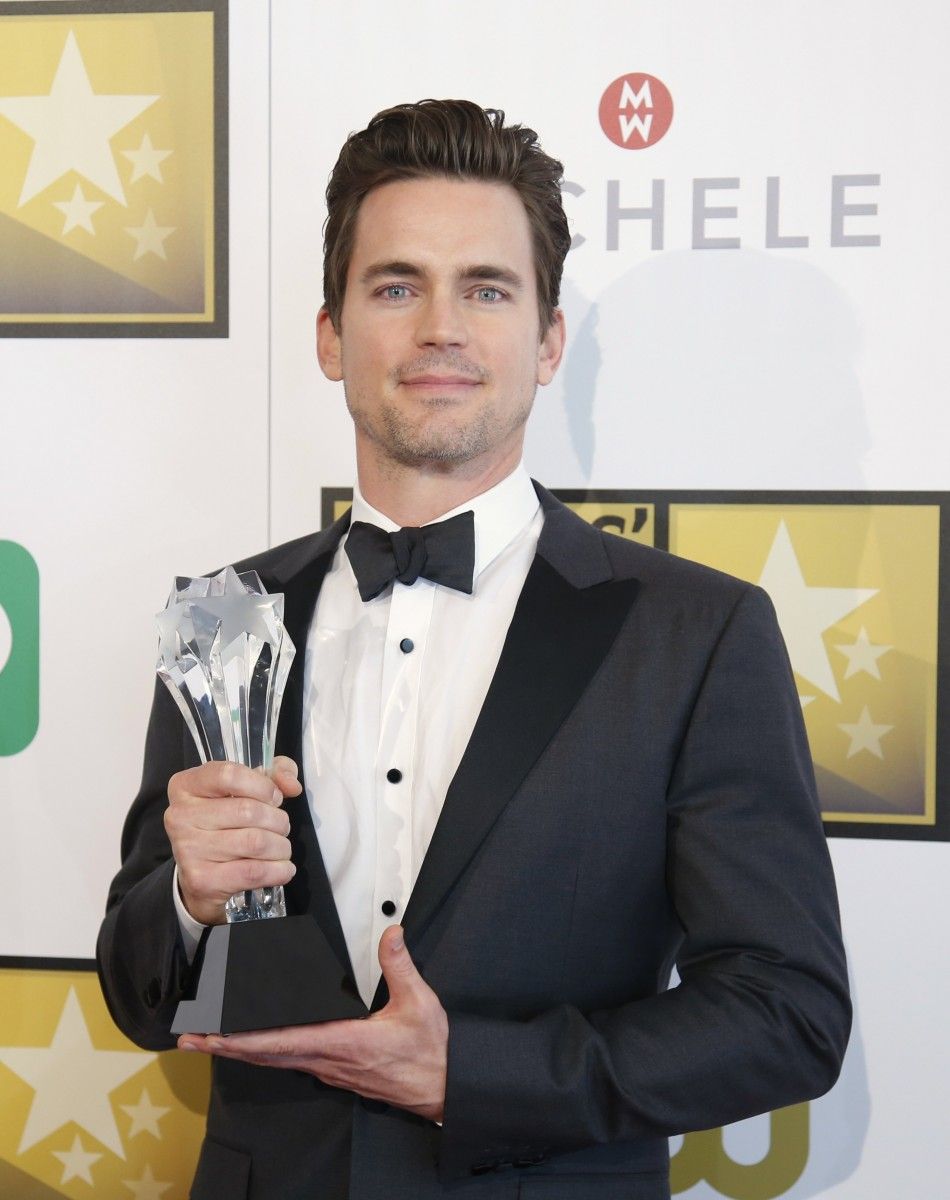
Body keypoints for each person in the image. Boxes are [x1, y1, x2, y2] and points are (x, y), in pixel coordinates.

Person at [97, 100, 851, 1200]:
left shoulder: (693, 635)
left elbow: (786, 1013)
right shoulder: (223, 615)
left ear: (545, 342)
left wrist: (476, 1075)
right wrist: (185, 904)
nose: (439, 328)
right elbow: (136, 991)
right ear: (329, 334)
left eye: (485, 289)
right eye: (395, 286)